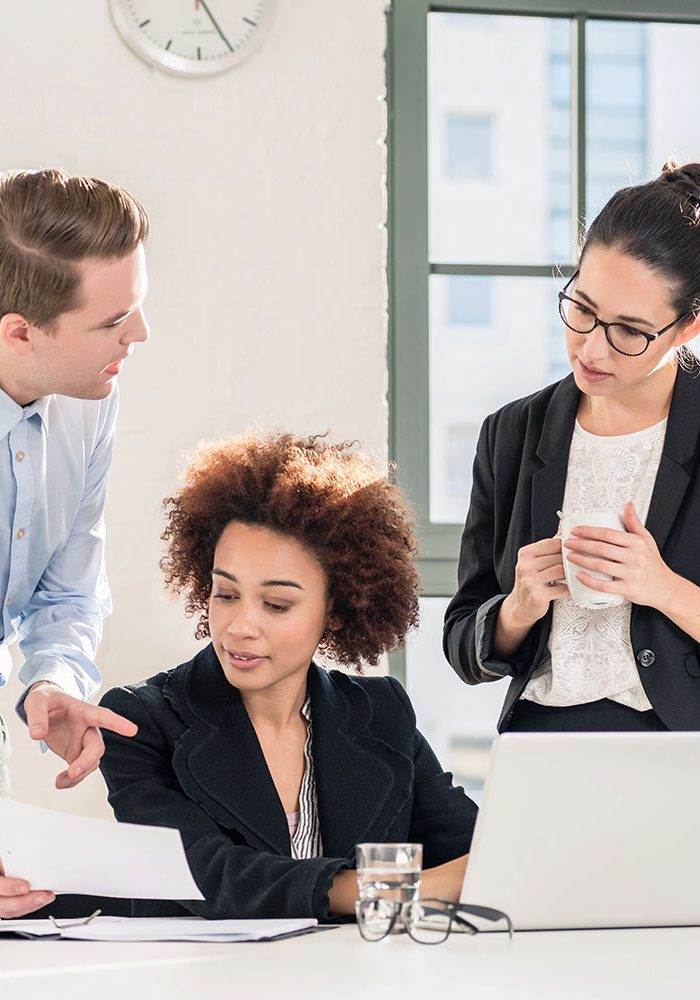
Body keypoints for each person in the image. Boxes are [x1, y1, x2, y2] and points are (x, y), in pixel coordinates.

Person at [99, 434, 477, 920]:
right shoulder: (141, 721)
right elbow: (209, 876)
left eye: (276, 604)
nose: (239, 626)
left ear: (336, 611)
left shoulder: (381, 713)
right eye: (225, 594)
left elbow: (471, 854)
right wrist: (398, 891)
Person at [444, 160, 700, 734]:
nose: (591, 349)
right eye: (582, 309)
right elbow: (462, 637)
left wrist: (663, 588)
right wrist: (518, 607)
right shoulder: (511, 434)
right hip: (542, 743)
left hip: (684, 749)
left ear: (689, 326)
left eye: (629, 331)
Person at [0, 168, 150, 917]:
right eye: (113, 320)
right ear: (19, 331)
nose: (140, 336)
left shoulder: (90, 406)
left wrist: (51, 679)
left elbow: (66, 585)